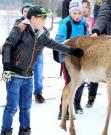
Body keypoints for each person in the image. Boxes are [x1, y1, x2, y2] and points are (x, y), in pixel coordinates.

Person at [0, 6, 84, 135]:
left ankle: (25, 130)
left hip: (29, 76)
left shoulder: (40, 34)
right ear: (33, 19)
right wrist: (6, 68)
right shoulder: (20, 28)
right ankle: (6, 131)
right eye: (42, 19)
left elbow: (53, 44)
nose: (44, 22)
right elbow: (7, 46)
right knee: (12, 107)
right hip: (14, 74)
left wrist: (71, 51)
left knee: (26, 107)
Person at [56, 0, 89, 119]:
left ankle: (74, 104)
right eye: (75, 13)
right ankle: (63, 108)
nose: (77, 16)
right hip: (67, 58)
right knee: (69, 83)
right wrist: (68, 50)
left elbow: (87, 39)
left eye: (79, 13)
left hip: (80, 58)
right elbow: (58, 42)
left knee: (79, 83)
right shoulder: (65, 23)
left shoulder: (84, 23)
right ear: (70, 12)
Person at [15, 2, 48, 104]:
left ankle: (38, 93)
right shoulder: (18, 24)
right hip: (23, 55)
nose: (27, 13)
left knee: (38, 74)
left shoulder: (39, 24)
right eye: (25, 11)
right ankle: (20, 93)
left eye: (29, 11)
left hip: (37, 54)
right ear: (22, 12)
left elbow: (46, 35)